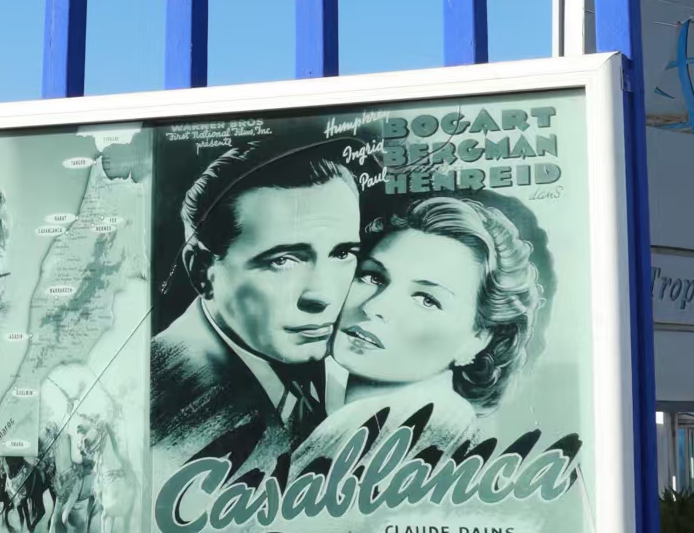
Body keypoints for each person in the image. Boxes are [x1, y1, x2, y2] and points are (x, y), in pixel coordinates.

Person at [291, 192, 548, 473]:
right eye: (373, 276)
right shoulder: (344, 414)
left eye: (427, 299)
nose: (375, 307)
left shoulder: (417, 422)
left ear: (478, 338)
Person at [151, 141, 361, 474]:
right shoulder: (155, 400)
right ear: (202, 270)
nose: (324, 296)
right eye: (283, 260)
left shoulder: (353, 368)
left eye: (342, 254)